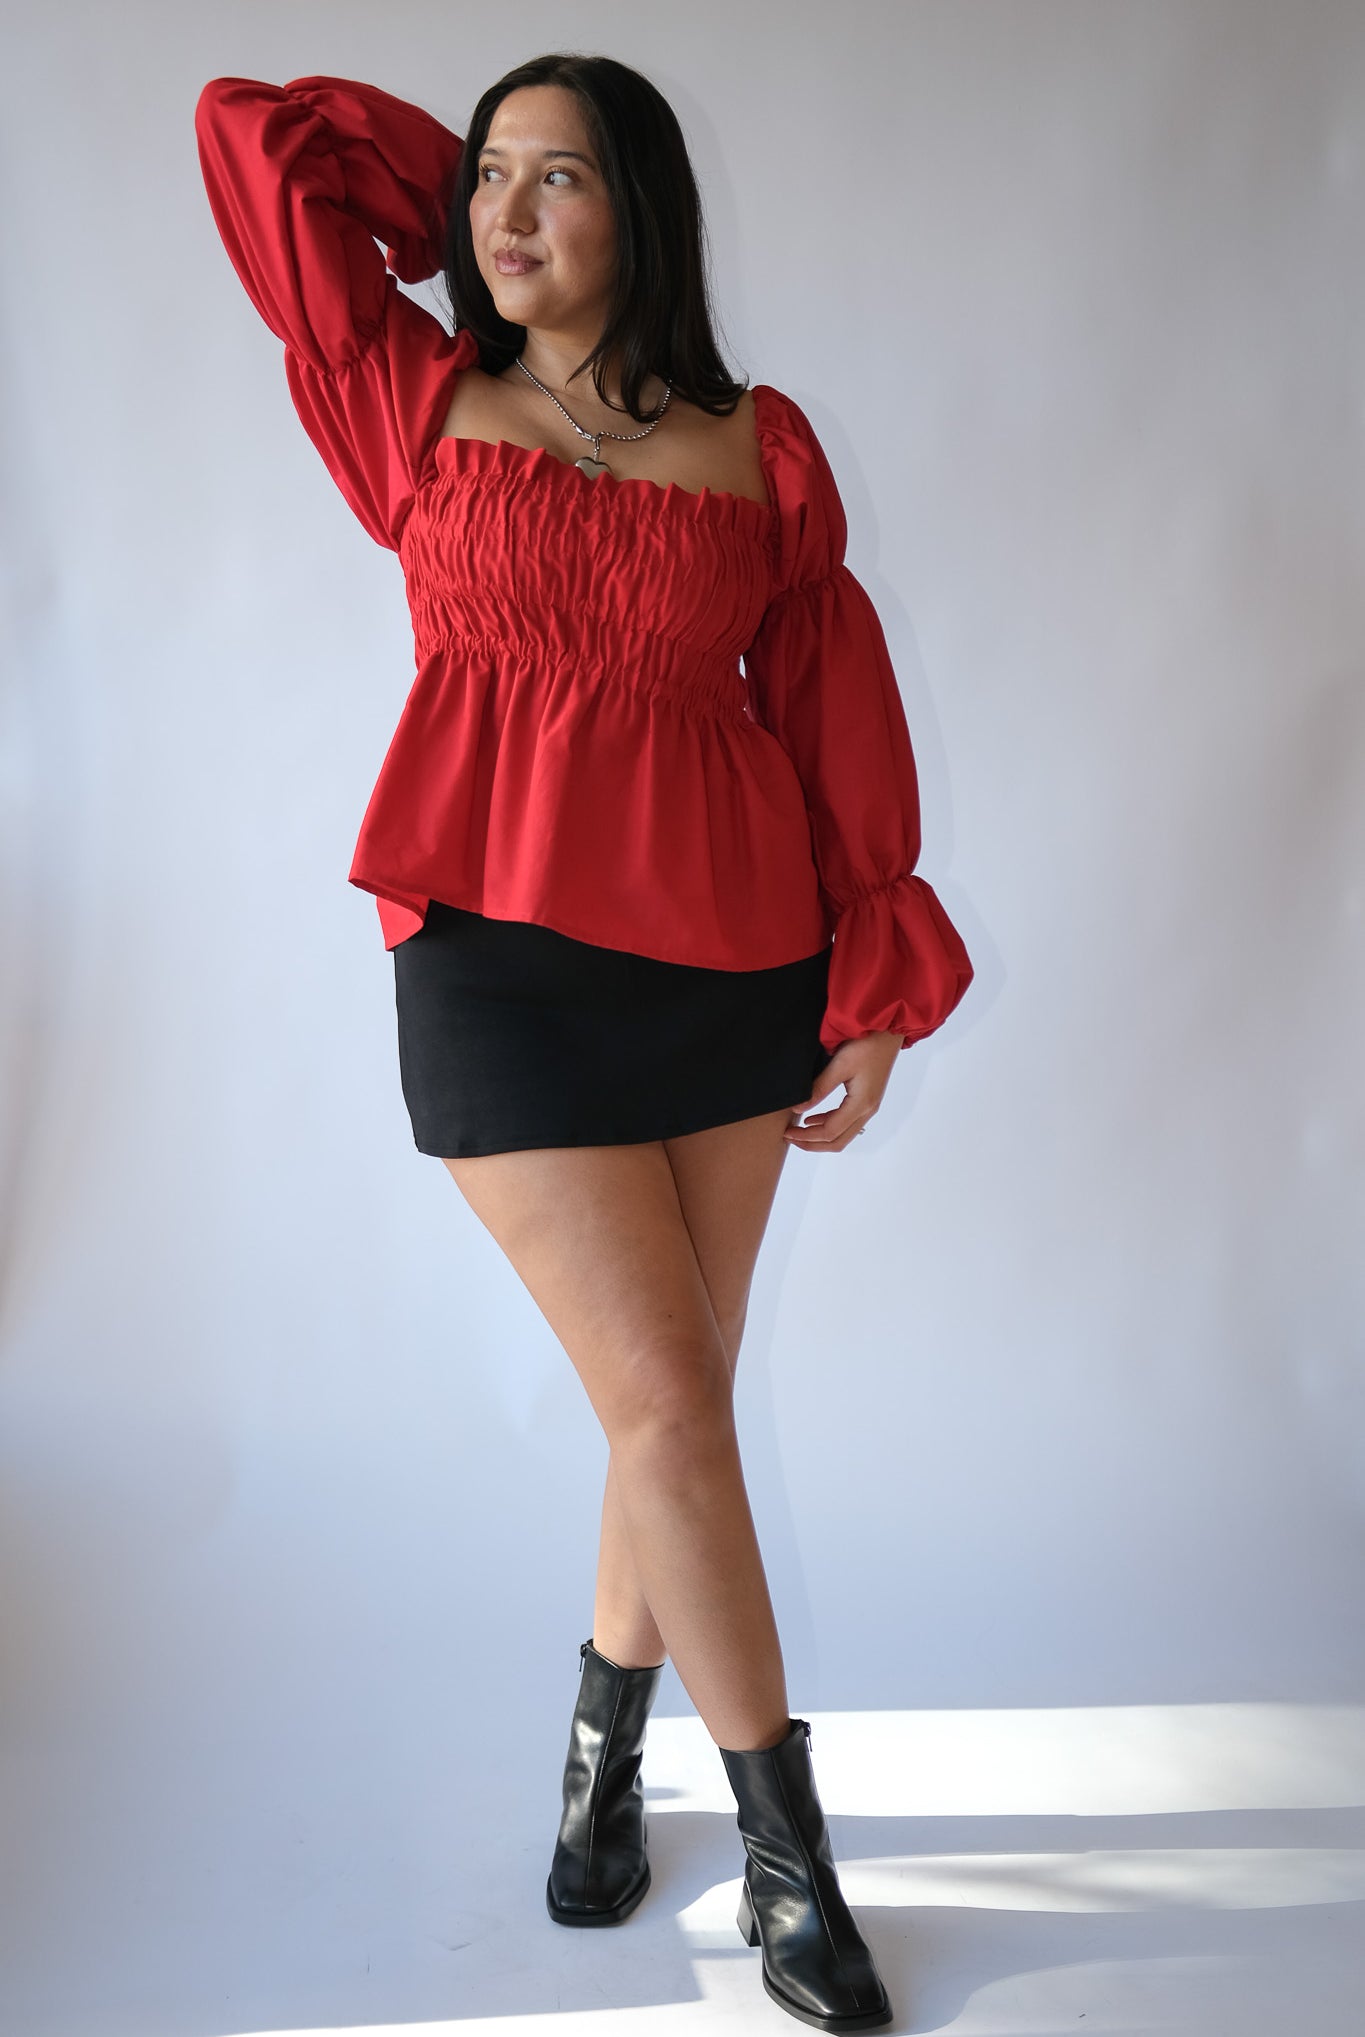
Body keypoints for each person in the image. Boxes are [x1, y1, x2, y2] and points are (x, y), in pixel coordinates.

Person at [195, 50, 973, 2032]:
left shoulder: (756, 447)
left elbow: (823, 694)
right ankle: (793, 1862)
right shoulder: (411, 399)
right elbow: (248, 135)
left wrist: (871, 975)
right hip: (495, 964)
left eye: (559, 179)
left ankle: (598, 1750)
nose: (508, 213)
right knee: (671, 1395)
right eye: (488, 178)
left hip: (732, 964)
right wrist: (436, 184)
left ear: (646, 207)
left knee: (668, 1404)